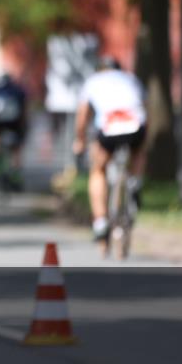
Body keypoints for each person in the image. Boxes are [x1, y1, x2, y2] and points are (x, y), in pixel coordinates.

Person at [72, 56, 147, 240]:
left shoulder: (93, 81)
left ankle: (100, 222)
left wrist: (80, 139)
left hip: (109, 127)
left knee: (98, 169)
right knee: (138, 151)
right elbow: (144, 108)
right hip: (135, 125)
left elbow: (83, 114)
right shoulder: (131, 79)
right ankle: (135, 181)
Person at [0, 72, 28, 189]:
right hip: (15, 125)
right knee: (17, 148)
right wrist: (25, 128)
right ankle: (16, 173)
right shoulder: (18, 90)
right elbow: (24, 111)